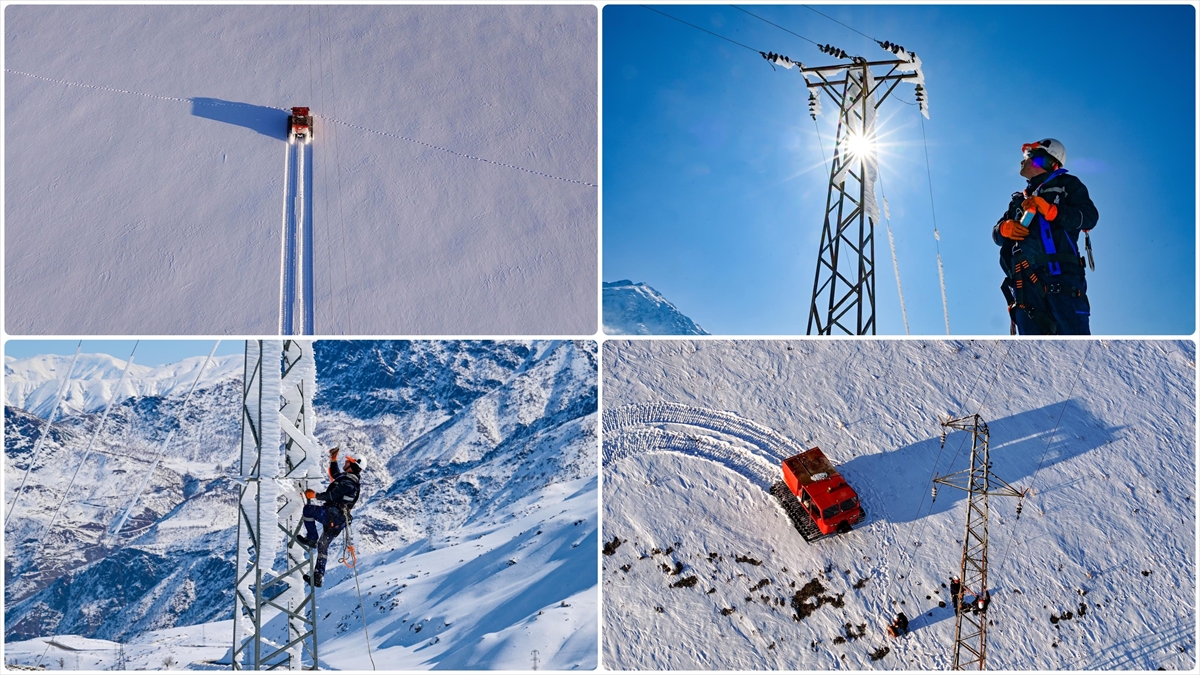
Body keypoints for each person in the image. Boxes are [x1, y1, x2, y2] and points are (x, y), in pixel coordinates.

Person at [994, 138, 1098, 335]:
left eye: (1027, 156)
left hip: (1062, 280)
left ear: (1044, 161)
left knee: (1075, 344)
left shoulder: (1068, 185)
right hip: (1024, 289)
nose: (1021, 161)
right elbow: (997, 236)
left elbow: (1090, 217)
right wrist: (1004, 229)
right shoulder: (1018, 201)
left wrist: (1053, 211)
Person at [298, 446, 362, 587]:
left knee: (308, 510)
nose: (345, 462)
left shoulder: (349, 484)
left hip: (333, 516)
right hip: (338, 520)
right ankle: (318, 576)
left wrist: (315, 496)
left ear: (353, 466)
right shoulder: (348, 480)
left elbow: (332, 495)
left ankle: (312, 538)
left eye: (348, 462)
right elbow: (335, 474)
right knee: (323, 546)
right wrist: (333, 459)